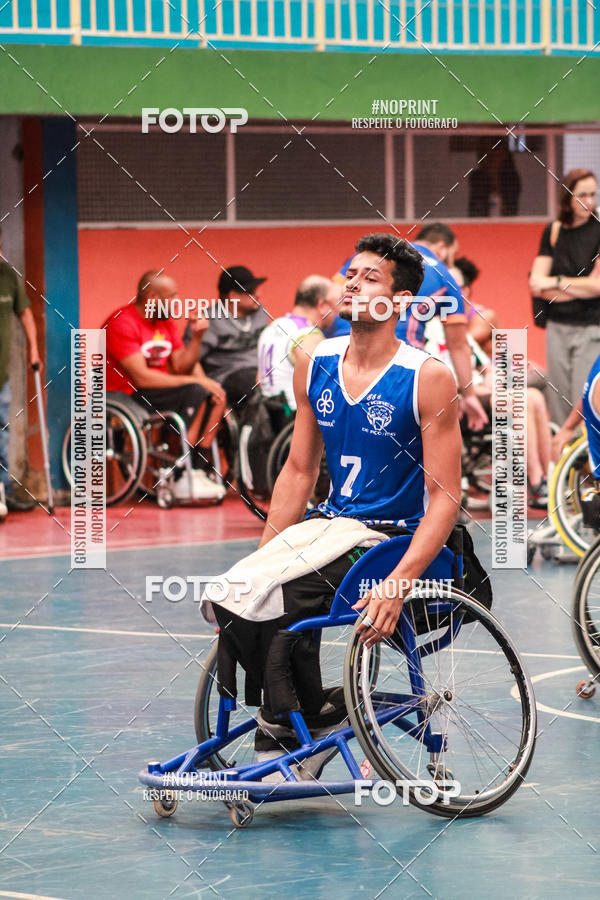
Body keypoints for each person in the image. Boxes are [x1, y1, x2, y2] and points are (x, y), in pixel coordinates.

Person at [207, 233, 467, 765]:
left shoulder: (428, 377)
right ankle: (304, 710)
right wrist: (263, 557)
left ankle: (289, 718)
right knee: (236, 590)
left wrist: (398, 584)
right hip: (330, 528)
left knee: (291, 592)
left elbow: (445, 497)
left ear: (399, 302)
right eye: (350, 273)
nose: (351, 282)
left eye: (370, 277)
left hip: (391, 538)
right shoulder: (316, 360)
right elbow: (299, 472)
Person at [337, 224, 488, 430]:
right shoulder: (445, 276)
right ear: (443, 249)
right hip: (403, 370)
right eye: (452, 256)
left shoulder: (365, 258)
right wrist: (469, 395)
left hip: (342, 356)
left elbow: (328, 298)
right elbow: (458, 345)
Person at [104, 270, 226, 500]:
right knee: (198, 390)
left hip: (158, 389)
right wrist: (196, 381)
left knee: (215, 395)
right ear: (151, 297)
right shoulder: (122, 322)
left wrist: (198, 338)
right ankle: (181, 472)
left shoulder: (165, 323)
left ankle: (195, 468)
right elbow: (142, 378)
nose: (176, 302)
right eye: (171, 297)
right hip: (128, 393)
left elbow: (181, 365)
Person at [529, 168, 600, 424]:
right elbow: (537, 284)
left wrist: (557, 283)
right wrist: (581, 288)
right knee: (558, 398)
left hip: (592, 328)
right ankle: (562, 459)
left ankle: (585, 459)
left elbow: (598, 286)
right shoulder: (554, 230)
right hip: (557, 326)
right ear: (568, 197)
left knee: (584, 398)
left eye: (593, 194)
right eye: (582, 195)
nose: (589, 201)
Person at [0, 227, 40, 521]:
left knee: (2, 431)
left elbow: (24, 312)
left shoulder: (7, 276)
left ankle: (3, 491)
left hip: (0, 375)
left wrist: (34, 349)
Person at [257, 275, 339, 413]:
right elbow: (326, 385)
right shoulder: (309, 335)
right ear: (322, 306)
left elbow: (259, 379)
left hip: (267, 417)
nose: (337, 314)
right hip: (293, 419)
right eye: (335, 306)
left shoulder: (273, 326)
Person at [197, 265, 269, 412]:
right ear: (233, 296)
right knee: (250, 384)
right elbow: (191, 361)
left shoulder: (260, 313)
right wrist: (206, 385)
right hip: (227, 378)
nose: (258, 295)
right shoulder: (209, 320)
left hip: (259, 373)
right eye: (251, 292)